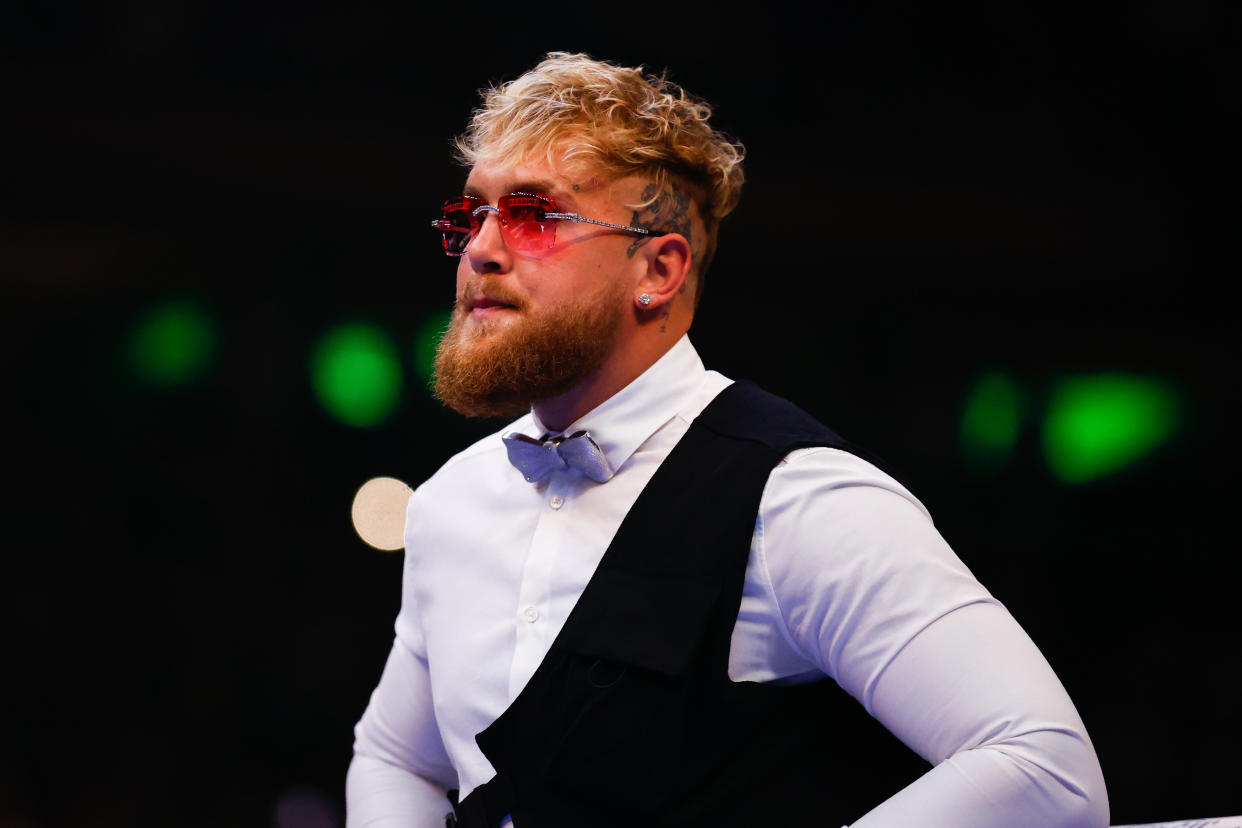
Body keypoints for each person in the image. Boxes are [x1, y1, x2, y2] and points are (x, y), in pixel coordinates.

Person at [346, 52, 1109, 828]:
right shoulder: (452, 502)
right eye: (472, 214)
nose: (480, 247)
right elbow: (397, 759)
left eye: (535, 216)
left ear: (659, 269)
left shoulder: (798, 496)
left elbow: (1046, 767)